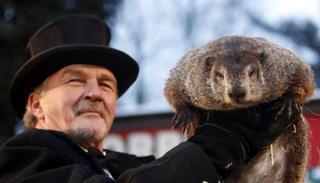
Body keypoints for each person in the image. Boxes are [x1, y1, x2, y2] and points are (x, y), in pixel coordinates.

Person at [0, 14, 298, 183]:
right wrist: (218, 145)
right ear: (36, 104)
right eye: (75, 80)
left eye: (106, 84)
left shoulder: (132, 165)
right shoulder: (24, 160)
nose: (94, 93)